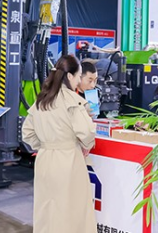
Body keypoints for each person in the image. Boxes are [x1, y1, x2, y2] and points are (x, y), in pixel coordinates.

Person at [21, 55, 96, 233]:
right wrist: (86, 145)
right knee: (71, 211)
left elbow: (27, 132)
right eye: (78, 76)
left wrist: (45, 145)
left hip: (45, 160)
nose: (79, 81)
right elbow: (86, 133)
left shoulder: (42, 100)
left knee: (47, 210)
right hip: (68, 160)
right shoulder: (73, 101)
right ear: (69, 76)